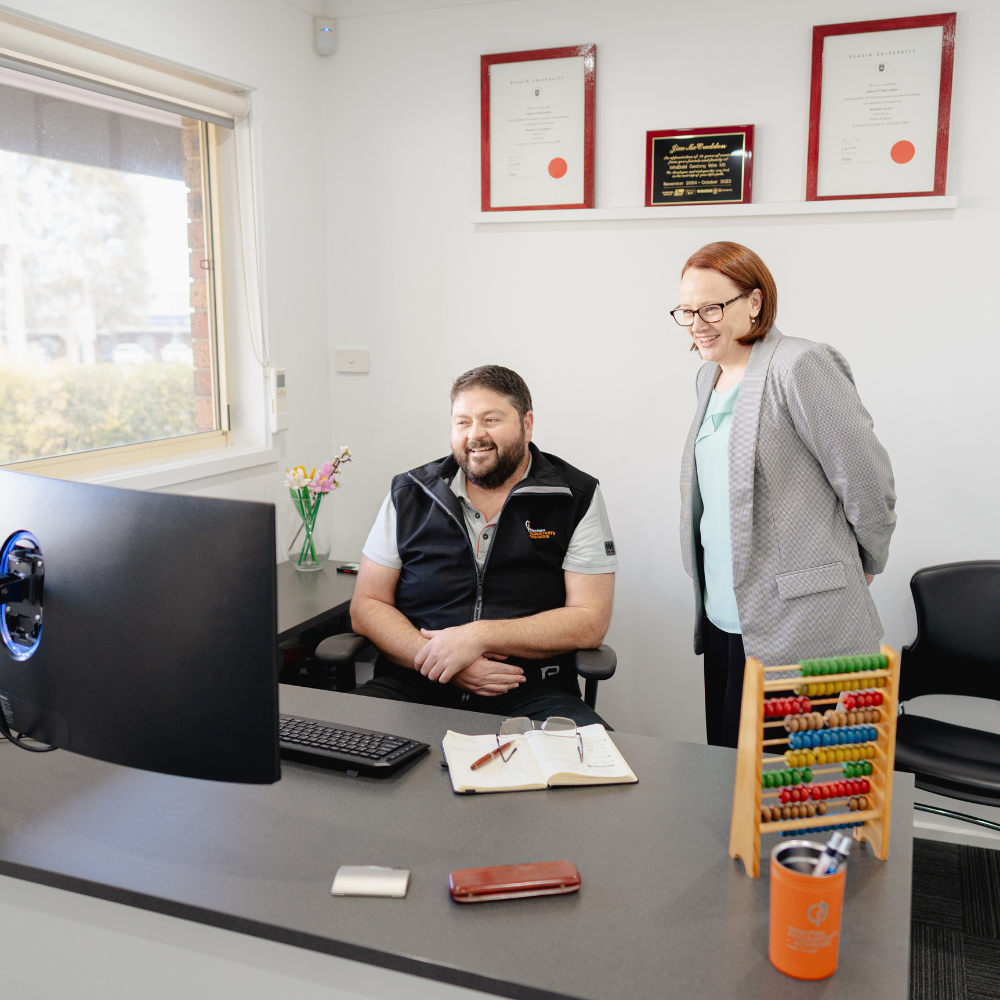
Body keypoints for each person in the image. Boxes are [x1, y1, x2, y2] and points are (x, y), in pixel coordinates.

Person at [674, 242, 896, 748]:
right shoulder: (708, 377)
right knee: (727, 770)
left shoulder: (800, 365)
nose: (697, 324)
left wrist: (867, 561)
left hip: (799, 619)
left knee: (790, 777)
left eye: (711, 308)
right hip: (724, 616)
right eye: (686, 311)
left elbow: (866, 478)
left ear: (754, 302)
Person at [350, 364, 618, 728]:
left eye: (491, 420)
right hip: (413, 685)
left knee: (599, 759)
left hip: (531, 690)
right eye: (462, 422)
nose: (475, 434)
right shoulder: (410, 494)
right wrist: (442, 660)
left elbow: (590, 620)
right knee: (324, 747)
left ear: (527, 424)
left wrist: (477, 637)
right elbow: (367, 604)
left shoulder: (574, 496)